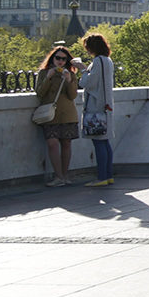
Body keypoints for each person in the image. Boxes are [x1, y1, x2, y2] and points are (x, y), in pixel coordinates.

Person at [34, 45, 80, 186]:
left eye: (63, 59)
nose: (60, 61)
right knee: (52, 143)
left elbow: (73, 95)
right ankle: (58, 176)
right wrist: (48, 78)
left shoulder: (70, 74)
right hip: (50, 114)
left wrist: (69, 80)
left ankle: (65, 176)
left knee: (66, 143)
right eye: (57, 58)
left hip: (67, 114)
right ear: (52, 59)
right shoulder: (44, 73)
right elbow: (40, 93)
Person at [80, 33, 116, 187]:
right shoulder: (107, 61)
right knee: (105, 141)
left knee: (99, 142)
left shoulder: (98, 61)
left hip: (97, 107)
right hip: (106, 105)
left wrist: (82, 69)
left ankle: (101, 176)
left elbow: (88, 83)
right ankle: (108, 175)